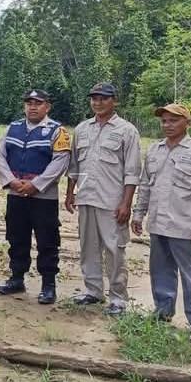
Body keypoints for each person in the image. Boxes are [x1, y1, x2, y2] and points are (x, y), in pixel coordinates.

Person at [131, 104, 191, 340]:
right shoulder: (155, 150)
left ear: (187, 123)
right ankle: (163, 312)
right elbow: (146, 185)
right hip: (158, 224)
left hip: (185, 225)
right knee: (160, 271)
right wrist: (138, 213)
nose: (167, 125)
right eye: (164, 121)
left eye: (173, 121)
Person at [65, 82, 142, 315]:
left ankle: (118, 298)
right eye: (94, 98)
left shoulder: (127, 130)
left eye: (103, 98)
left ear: (114, 101)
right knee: (88, 248)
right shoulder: (81, 129)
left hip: (112, 201)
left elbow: (132, 171)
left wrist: (126, 203)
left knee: (115, 249)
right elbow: (74, 166)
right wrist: (70, 192)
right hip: (87, 198)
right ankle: (93, 291)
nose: (97, 102)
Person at [0, 90, 71, 304]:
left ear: (47, 106)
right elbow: (0, 155)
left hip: (43, 197)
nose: (32, 107)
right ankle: (17, 278)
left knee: (47, 241)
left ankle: (48, 285)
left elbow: (60, 161)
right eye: (29, 103)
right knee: (16, 237)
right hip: (16, 193)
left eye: (38, 103)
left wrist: (36, 185)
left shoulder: (57, 130)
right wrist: (11, 181)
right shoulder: (13, 128)